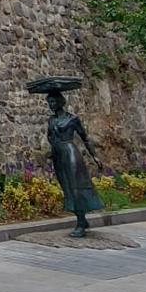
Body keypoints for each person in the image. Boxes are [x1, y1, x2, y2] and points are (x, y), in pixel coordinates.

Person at [45, 91, 104, 237]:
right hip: (58, 155)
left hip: (71, 152)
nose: (51, 105)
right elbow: (50, 137)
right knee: (67, 188)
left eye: (53, 102)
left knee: (76, 187)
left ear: (60, 102)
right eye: (49, 102)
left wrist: (94, 157)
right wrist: (53, 149)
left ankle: (80, 221)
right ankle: (82, 219)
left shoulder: (72, 119)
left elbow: (85, 138)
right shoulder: (51, 120)